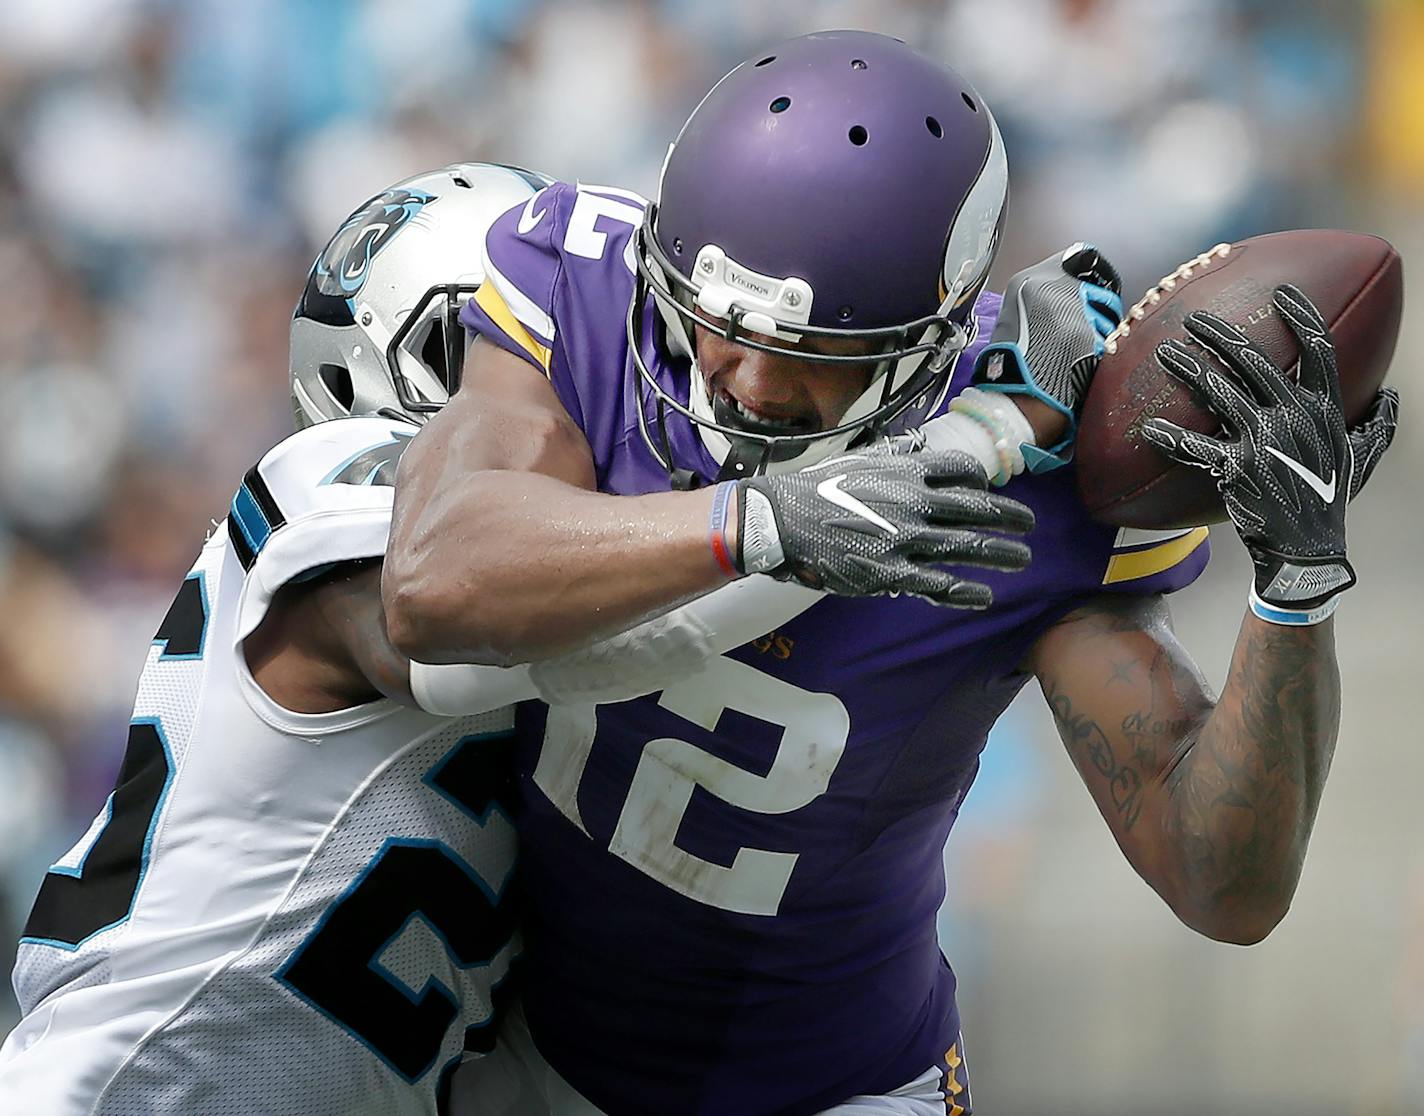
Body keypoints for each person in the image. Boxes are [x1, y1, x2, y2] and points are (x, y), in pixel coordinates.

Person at [359, 31, 1393, 1116]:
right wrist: (765, 521)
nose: (753, 385)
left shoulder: (1028, 477)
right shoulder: (578, 295)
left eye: (816, 353)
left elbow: (1221, 884)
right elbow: (433, 587)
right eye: (723, 328)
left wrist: (1294, 589)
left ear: (937, 338)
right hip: (533, 1051)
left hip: (844, 1090)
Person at [0, 161, 798, 1115]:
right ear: (433, 358)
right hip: (130, 1085)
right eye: (542, 347)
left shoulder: (590, 611)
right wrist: (798, 522)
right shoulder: (326, 477)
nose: (614, 394)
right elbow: (457, 625)